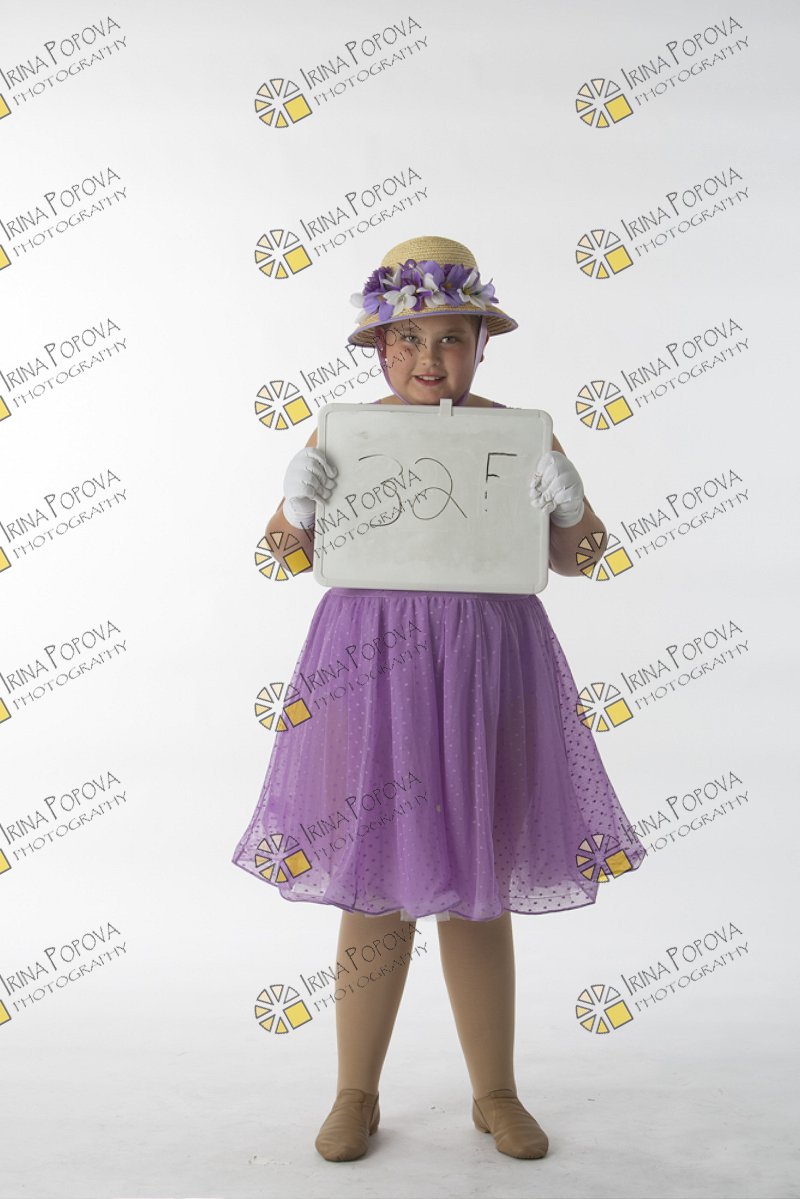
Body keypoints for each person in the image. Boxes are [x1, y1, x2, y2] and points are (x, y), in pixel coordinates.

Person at [231, 235, 647, 1163]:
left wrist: (571, 505)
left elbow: (584, 558)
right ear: (380, 348)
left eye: (452, 338)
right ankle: (355, 1089)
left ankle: (495, 1090)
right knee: (373, 873)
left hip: (485, 667)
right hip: (370, 667)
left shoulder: (520, 433)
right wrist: (295, 508)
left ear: (481, 347)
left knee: (478, 882)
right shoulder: (347, 433)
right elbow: (281, 556)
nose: (430, 358)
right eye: (410, 340)